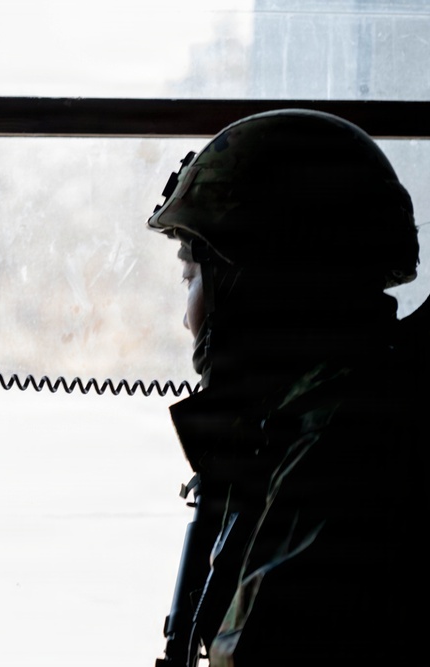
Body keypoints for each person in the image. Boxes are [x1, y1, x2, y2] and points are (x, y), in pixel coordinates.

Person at [147, 109, 427, 666]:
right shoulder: (326, 415)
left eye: (192, 277)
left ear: (249, 281)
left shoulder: (341, 445)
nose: (187, 319)